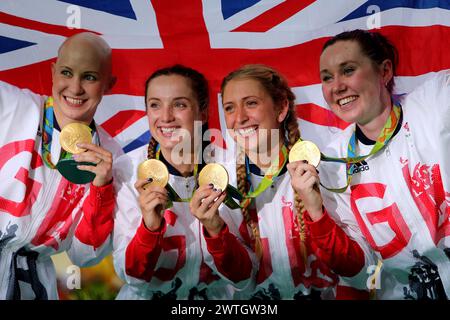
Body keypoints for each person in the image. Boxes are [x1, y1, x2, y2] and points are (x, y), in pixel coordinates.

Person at [291, 29, 449, 299]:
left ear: (384, 71)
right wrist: (316, 212)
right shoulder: (332, 165)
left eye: (348, 70)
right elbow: (357, 269)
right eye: (327, 77)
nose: (336, 86)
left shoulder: (437, 101)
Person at [220, 64, 372, 300]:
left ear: (281, 108)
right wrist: (214, 232)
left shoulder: (327, 170)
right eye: (230, 108)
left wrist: (316, 212)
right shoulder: (224, 187)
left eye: (251, 103)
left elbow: (366, 274)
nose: (239, 118)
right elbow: (241, 284)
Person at [112, 65, 255, 300]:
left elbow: (245, 278)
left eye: (179, 104)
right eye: (155, 105)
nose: (166, 117)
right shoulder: (127, 170)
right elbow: (133, 276)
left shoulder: (233, 168)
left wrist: (216, 230)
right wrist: (149, 228)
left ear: (203, 112)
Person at [0, 32, 119, 299]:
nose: (75, 88)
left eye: (89, 77)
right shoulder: (10, 105)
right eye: (67, 72)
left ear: (108, 84)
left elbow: (83, 255)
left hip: (34, 284)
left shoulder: (112, 157)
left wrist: (102, 188)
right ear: (53, 72)